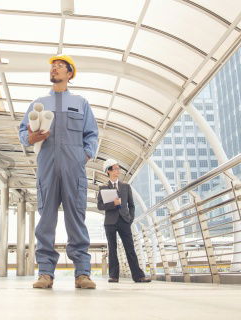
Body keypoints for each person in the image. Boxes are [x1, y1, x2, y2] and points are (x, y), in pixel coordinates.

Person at [18, 55, 99, 289]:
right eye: (53, 66)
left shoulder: (80, 102)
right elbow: (23, 132)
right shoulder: (39, 103)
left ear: (70, 74)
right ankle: (45, 272)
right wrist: (30, 138)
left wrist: (83, 156)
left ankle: (82, 273)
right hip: (47, 164)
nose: (55, 69)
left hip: (74, 166)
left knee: (76, 218)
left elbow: (91, 134)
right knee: (46, 219)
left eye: (60, 66)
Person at [96, 159, 152, 283]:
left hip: (124, 221)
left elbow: (131, 205)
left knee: (130, 248)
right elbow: (100, 206)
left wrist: (130, 219)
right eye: (115, 169)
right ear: (108, 171)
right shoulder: (103, 188)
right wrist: (113, 204)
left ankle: (138, 276)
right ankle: (113, 276)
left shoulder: (126, 187)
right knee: (112, 248)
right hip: (110, 222)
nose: (118, 171)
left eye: (118, 168)